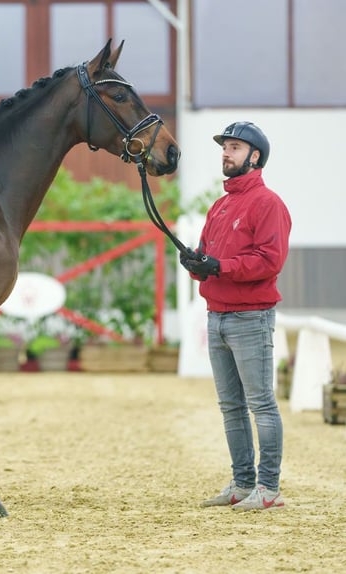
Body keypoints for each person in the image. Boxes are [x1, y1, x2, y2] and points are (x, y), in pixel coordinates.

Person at [180, 121, 292, 511]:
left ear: (254, 156)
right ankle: (243, 483)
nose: (225, 153)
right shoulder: (220, 205)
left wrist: (219, 267)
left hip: (251, 318)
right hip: (217, 317)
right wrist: (195, 264)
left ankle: (269, 488)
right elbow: (209, 257)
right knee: (231, 406)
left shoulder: (268, 204)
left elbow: (269, 260)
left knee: (261, 404)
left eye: (234, 148)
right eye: (224, 147)